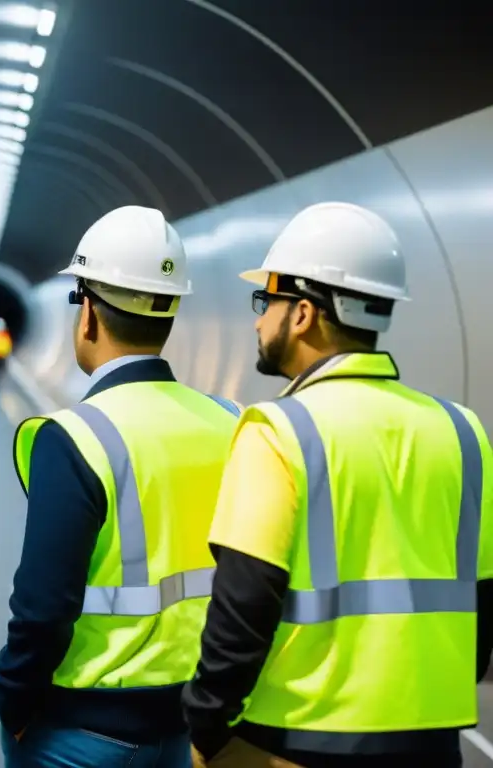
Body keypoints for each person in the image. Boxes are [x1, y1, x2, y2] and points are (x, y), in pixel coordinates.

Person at [181, 201, 493, 768]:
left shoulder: (279, 431)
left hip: (298, 743)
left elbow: (243, 609)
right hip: (432, 745)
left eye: (266, 301)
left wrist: (205, 727)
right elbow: (483, 599)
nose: (257, 320)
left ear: (302, 313)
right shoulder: (463, 432)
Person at [0, 206, 243, 768]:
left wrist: (12, 699)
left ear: (87, 316)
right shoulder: (234, 422)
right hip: (200, 726)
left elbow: (42, 608)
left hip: (86, 732)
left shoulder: (74, 437)